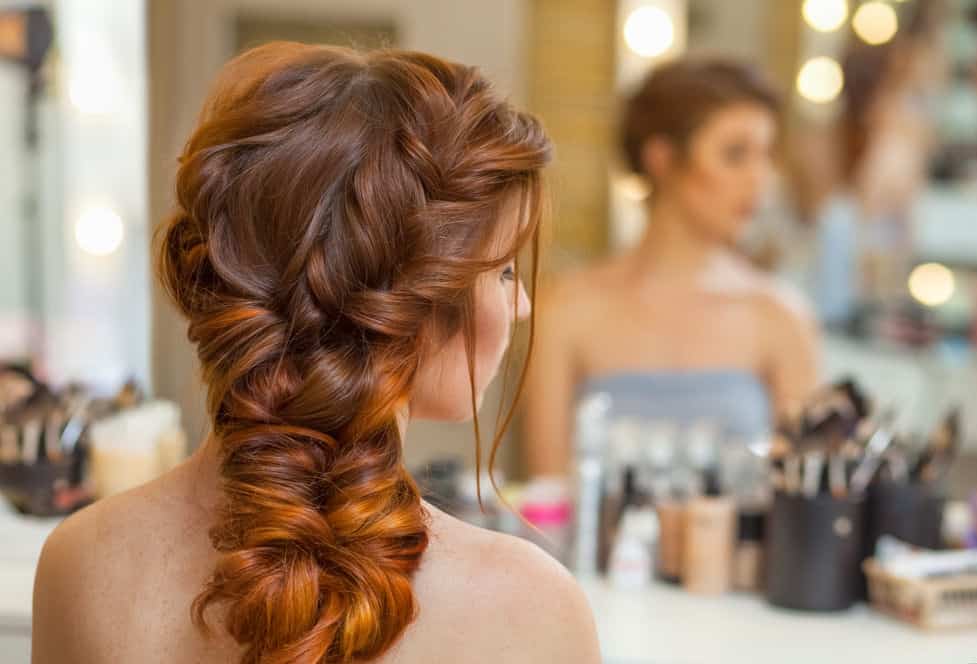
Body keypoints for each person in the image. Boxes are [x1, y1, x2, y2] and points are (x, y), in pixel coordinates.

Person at [31, 43, 600, 664]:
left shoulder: (80, 560)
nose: (519, 307)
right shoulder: (528, 607)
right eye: (505, 272)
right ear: (403, 296)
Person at [523, 58, 820, 478]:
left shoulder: (780, 315)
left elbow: (800, 498)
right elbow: (548, 495)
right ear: (661, 158)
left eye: (766, 155)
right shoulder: (568, 309)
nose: (760, 180)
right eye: (735, 155)